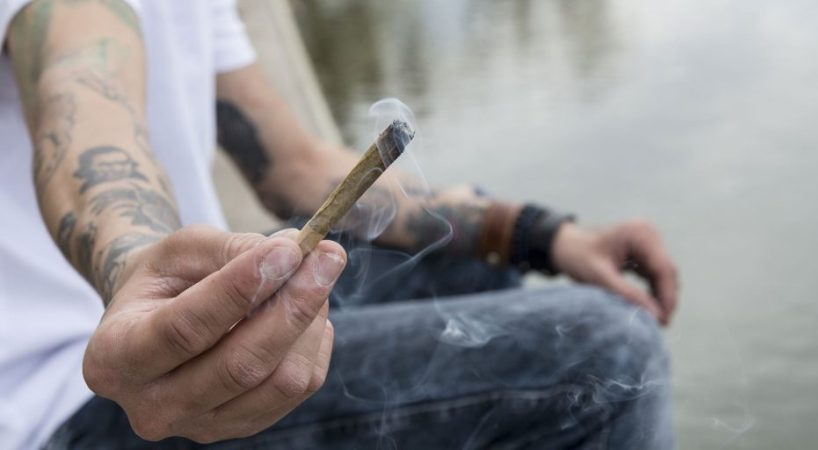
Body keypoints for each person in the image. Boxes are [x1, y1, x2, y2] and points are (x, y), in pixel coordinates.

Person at [0, 0, 679, 448]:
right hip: (72, 403)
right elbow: (88, 112)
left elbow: (292, 163)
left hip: (195, 331)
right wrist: (142, 275)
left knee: (462, 251)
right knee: (612, 352)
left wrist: (541, 234)